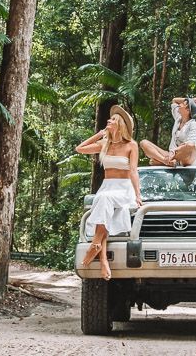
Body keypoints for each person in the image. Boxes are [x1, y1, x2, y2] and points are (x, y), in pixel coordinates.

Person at [75, 105, 142, 280]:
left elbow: (134, 171)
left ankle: (96, 244)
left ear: (119, 124)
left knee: (102, 201)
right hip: (107, 187)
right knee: (104, 209)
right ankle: (103, 258)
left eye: (112, 120)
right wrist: (99, 134)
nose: (108, 121)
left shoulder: (131, 145)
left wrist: (138, 195)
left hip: (123, 189)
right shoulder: (104, 144)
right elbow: (79, 148)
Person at [141, 96, 196, 167]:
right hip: (171, 156)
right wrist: (189, 100)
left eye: (182, 103)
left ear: (187, 109)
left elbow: (191, 145)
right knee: (143, 143)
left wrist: (174, 151)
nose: (179, 104)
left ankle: (168, 161)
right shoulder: (178, 118)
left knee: (190, 146)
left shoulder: (193, 124)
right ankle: (166, 161)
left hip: (185, 159)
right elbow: (174, 100)